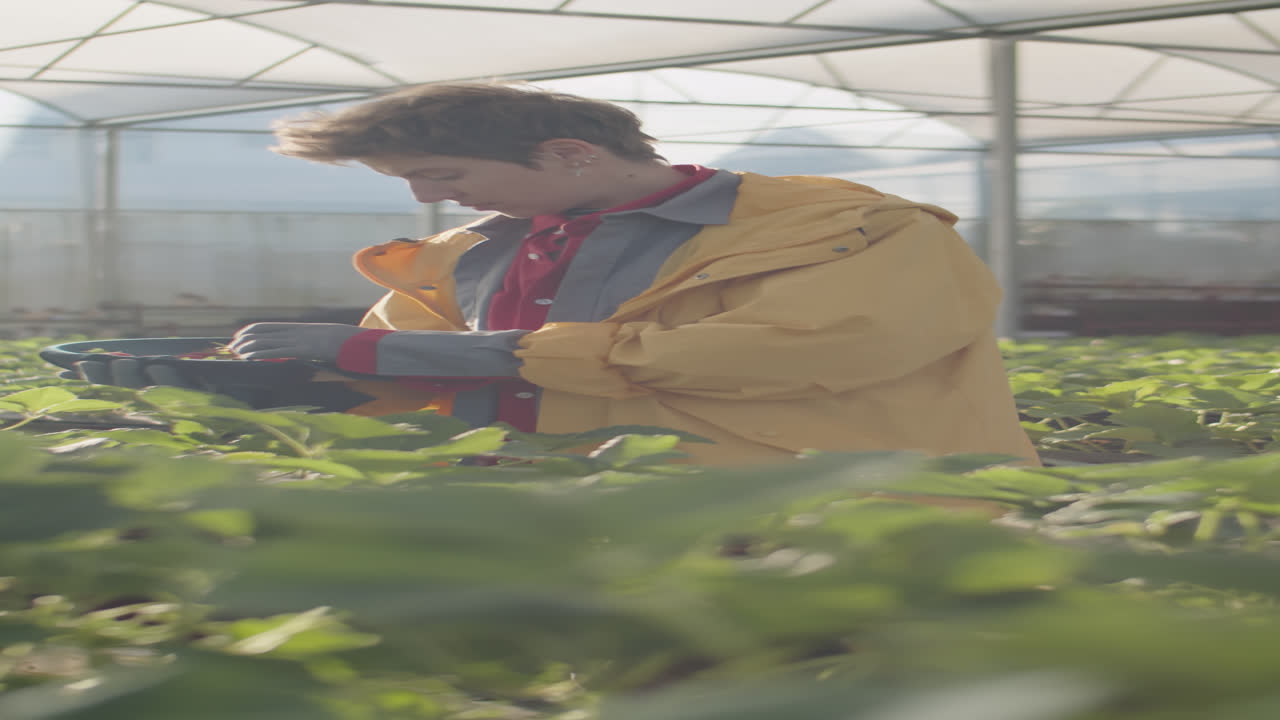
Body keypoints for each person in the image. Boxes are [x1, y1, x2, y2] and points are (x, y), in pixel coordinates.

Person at [106, 82, 1043, 466]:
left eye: (444, 176)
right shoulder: (483, 248)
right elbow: (419, 367)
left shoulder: (857, 232)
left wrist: (480, 358)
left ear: (571, 155)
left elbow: (795, 352)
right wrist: (282, 384)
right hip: (572, 511)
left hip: (822, 520)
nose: (429, 203)